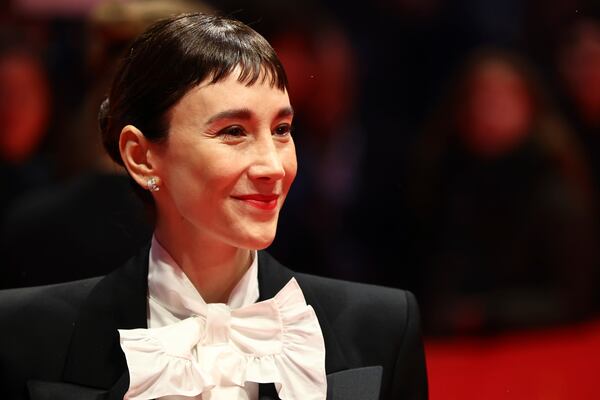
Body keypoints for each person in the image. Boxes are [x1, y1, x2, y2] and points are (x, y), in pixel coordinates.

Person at [0, 13, 427, 400]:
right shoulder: (25, 334)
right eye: (234, 131)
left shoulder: (382, 329)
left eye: (281, 129)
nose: (273, 166)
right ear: (141, 155)